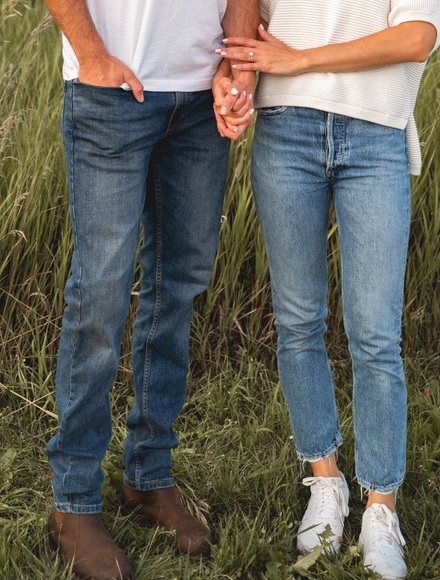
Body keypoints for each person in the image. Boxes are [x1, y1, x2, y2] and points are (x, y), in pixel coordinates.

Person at [216, 1, 440, 577]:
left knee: (376, 336)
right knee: (297, 322)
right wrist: (234, 79)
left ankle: (381, 508)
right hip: (285, 128)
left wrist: (298, 60)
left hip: (374, 133)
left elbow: (417, 37)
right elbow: (246, 14)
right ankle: (326, 480)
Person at [43, 1, 258, 578]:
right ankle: (74, 500)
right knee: (100, 293)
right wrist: (91, 55)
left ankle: (148, 475)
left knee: (177, 286)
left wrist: (237, 66)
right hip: (112, 90)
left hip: (201, 98)